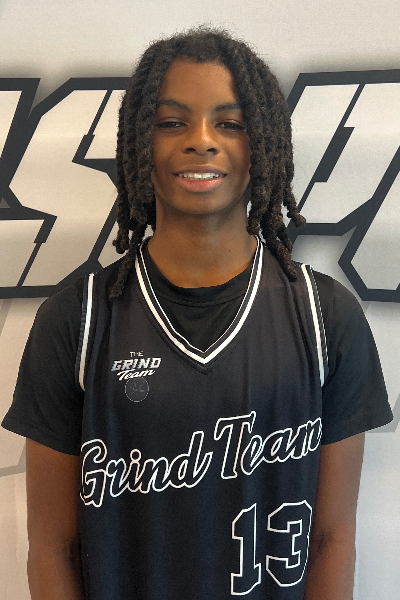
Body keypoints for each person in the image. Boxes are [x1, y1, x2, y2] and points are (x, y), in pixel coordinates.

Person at [2, 27, 393, 600]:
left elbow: (332, 539)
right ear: (140, 142)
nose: (201, 141)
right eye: (172, 122)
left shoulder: (325, 317)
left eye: (229, 123)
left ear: (262, 144)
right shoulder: (77, 319)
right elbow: (52, 546)